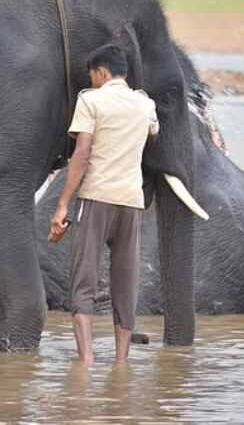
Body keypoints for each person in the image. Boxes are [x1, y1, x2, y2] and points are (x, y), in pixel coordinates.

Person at [49, 43, 159, 365]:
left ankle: (86, 360)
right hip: (131, 202)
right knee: (126, 281)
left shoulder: (91, 99)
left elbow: (81, 153)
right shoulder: (144, 103)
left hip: (96, 198)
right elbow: (152, 135)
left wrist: (62, 205)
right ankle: (121, 362)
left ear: (100, 71)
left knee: (83, 281)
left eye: (92, 76)